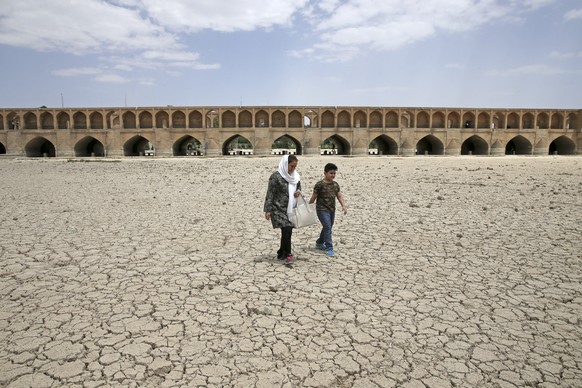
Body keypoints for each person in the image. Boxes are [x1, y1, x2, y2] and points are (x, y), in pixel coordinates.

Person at [264, 155, 302, 264]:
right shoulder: (275, 177)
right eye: (291, 166)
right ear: (285, 164)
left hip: (291, 208)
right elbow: (270, 193)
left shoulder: (295, 176)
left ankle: (281, 252)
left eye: (295, 167)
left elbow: (299, 187)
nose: (293, 169)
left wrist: (298, 192)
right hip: (278, 208)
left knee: (287, 230)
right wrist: (268, 210)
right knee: (287, 229)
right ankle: (288, 254)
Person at [309, 163, 347, 257]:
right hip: (321, 210)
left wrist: (343, 205)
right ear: (325, 173)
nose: (333, 175)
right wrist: (309, 206)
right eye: (331, 173)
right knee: (327, 227)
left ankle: (319, 242)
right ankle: (329, 247)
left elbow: (339, 195)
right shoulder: (319, 184)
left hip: (331, 210)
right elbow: (314, 197)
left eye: (334, 173)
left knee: (328, 227)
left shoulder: (335, 185)